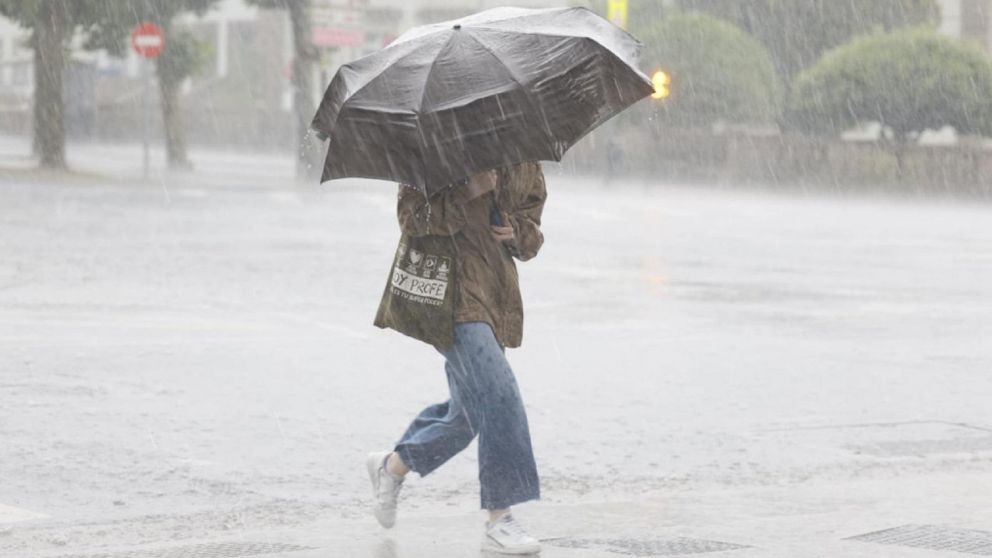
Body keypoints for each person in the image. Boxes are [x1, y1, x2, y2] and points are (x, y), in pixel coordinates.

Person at [367, 162, 548, 555]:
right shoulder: (433, 150)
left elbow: (532, 231)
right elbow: (412, 218)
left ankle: (393, 466)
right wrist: (469, 190)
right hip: (449, 297)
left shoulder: (522, 157)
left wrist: (517, 232)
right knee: (500, 395)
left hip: (496, 296)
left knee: (468, 416)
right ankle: (501, 518)